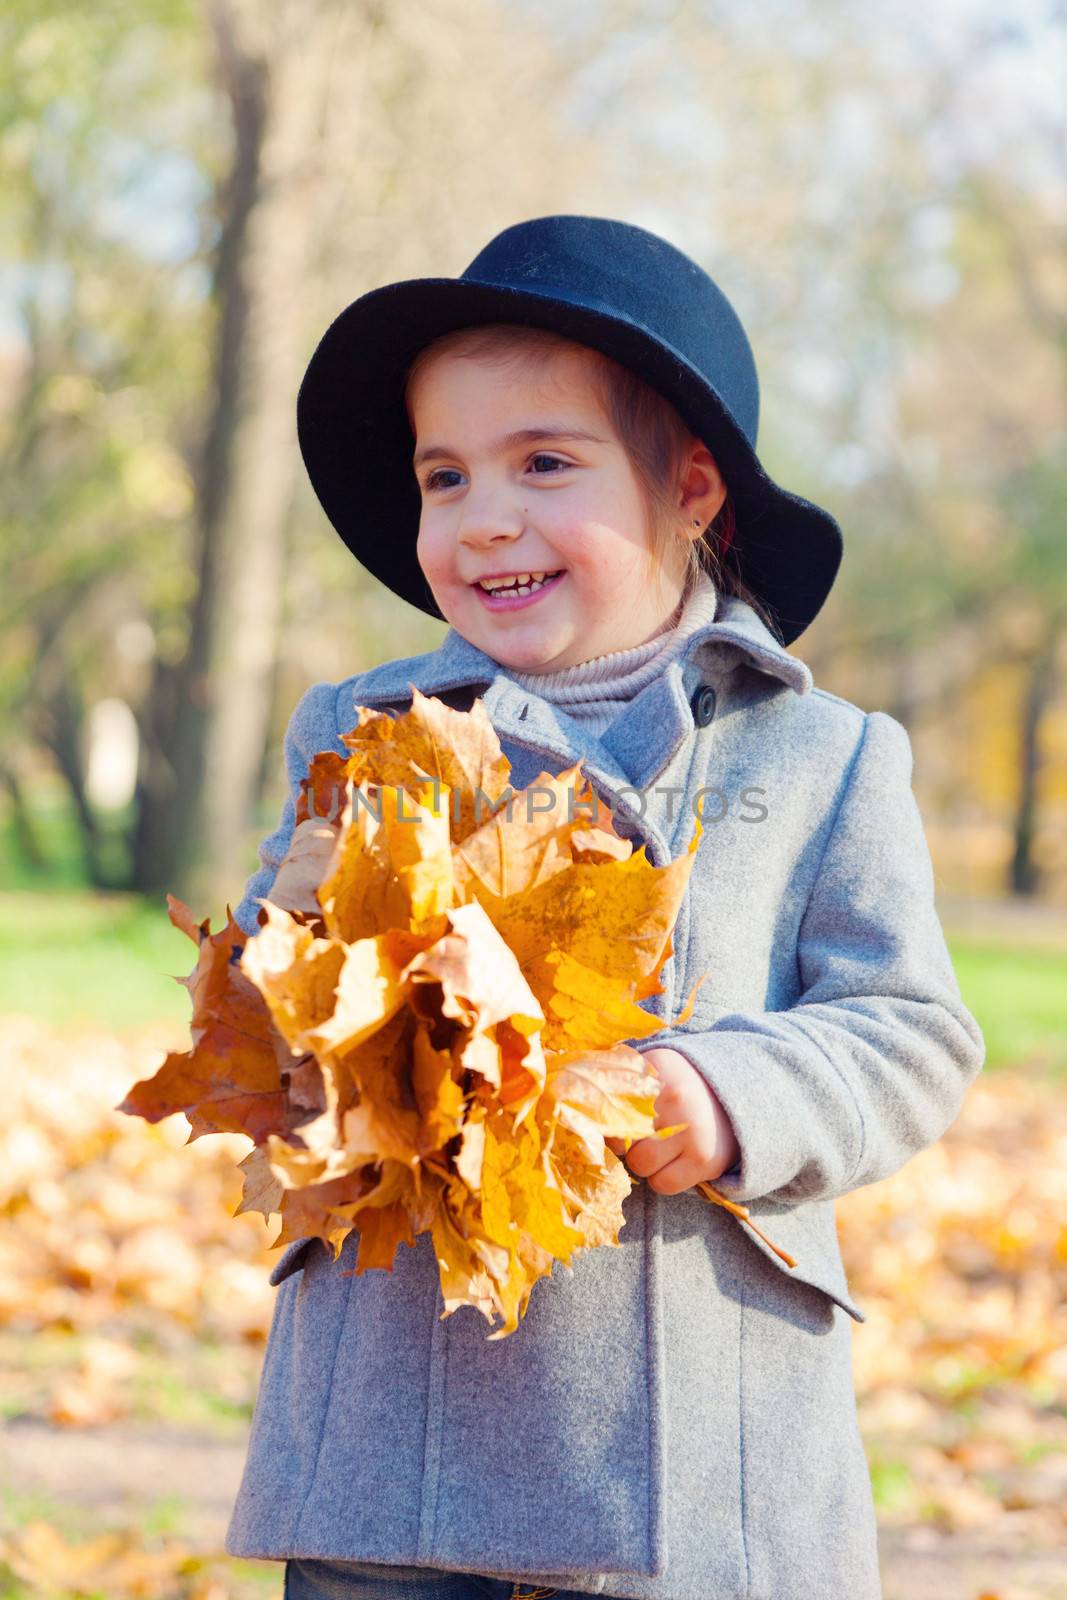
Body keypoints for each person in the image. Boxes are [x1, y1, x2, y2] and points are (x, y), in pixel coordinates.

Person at [223, 215, 985, 1600]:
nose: (485, 517)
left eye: (545, 464)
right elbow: (278, 1007)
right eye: (442, 476)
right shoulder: (363, 728)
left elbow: (909, 1028)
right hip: (397, 1431)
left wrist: (727, 1091)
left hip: (690, 1452)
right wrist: (310, 987)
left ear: (693, 488)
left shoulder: (819, 756)